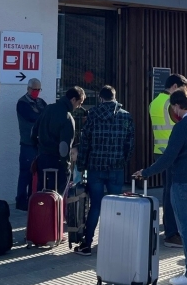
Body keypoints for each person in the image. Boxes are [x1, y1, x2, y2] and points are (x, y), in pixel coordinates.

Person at [134, 87, 187, 285]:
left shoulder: (182, 127)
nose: (173, 112)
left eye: (173, 107)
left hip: (183, 183)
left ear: (178, 106)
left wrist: (145, 173)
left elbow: (167, 159)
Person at [73, 85, 135, 256]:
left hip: (95, 168)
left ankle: (87, 244)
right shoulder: (126, 116)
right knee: (116, 205)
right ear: (114, 98)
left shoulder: (92, 115)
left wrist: (81, 165)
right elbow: (130, 145)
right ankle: (114, 244)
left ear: (100, 98)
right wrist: (123, 161)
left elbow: (85, 143)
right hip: (116, 168)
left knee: (95, 206)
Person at [148, 73, 187, 248]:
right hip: (174, 153)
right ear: (173, 87)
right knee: (174, 193)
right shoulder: (171, 104)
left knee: (167, 191)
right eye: (180, 89)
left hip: (160, 150)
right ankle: (172, 234)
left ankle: (169, 227)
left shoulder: (154, 102)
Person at [32, 87, 85, 194]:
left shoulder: (47, 109)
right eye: (79, 103)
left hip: (42, 158)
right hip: (57, 161)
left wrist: (38, 151)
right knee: (56, 196)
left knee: (41, 194)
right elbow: (64, 147)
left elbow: (33, 133)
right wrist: (66, 166)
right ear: (73, 100)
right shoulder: (67, 118)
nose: (79, 106)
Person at [15, 78, 47, 211]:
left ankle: (32, 199)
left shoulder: (41, 102)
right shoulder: (22, 103)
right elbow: (34, 117)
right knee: (25, 174)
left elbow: (46, 115)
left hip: (39, 145)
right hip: (27, 143)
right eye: (34, 89)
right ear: (28, 89)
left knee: (36, 175)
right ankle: (21, 201)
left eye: (38, 89)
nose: (36, 92)